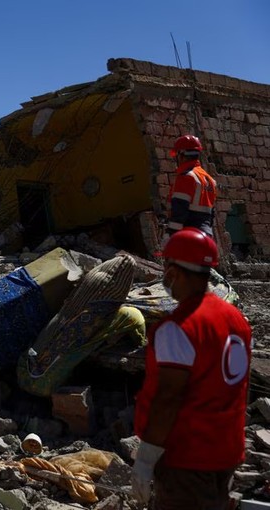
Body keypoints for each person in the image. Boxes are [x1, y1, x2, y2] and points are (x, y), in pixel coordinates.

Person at [132, 227, 252, 509]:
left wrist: (146, 458)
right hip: (226, 452)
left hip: (186, 460)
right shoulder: (236, 319)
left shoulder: (179, 328)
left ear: (173, 271)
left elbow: (168, 398)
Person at [166, 134, 217, 237]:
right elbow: (211, 214)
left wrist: (170, 236)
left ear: (182, 155)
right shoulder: (210, 180)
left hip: (190, 236)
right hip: (206, 236)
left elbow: (179, 212)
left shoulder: (187, 177)